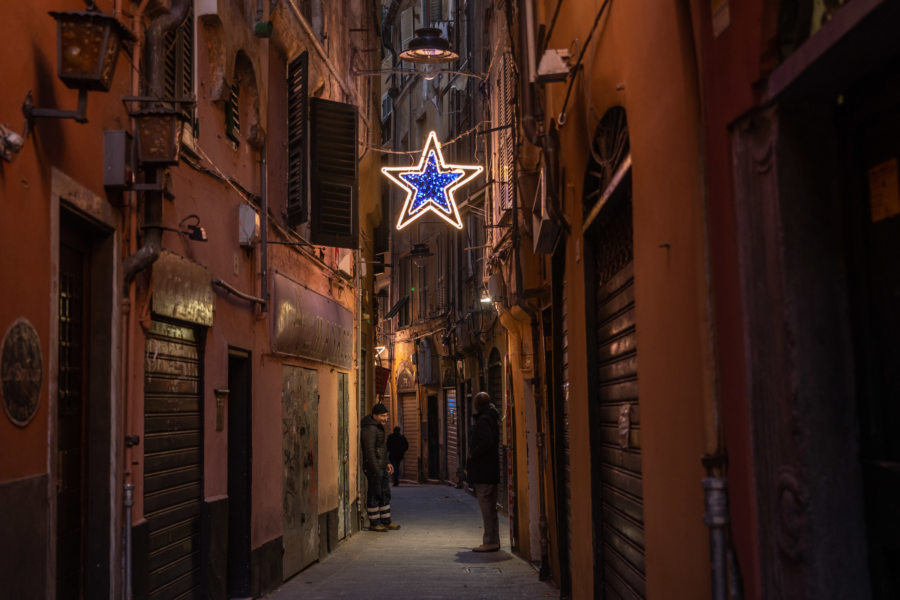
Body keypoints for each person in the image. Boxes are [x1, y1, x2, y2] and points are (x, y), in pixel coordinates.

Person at [466, 391, 501, 552]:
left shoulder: (484, 420)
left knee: (486, 507)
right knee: (491, 507)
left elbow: (487, 441)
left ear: (478, 405)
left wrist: (474, 453)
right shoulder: (492, 418)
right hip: (491, 470)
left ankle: (489, 541)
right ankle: (493, 540)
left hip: (484, 470)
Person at [361, 403, 400, 532]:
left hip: (380, 465)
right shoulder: (370, 428)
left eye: (386, 416)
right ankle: (374, 523)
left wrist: (387, 462)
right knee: (374, 493)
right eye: (383, 416)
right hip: (374, 467)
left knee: (384, 493)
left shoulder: (378, 427)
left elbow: (381, 448)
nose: (385, 418)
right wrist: (375, 469)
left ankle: (386, 521)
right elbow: (370, 450)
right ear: (375, 415)